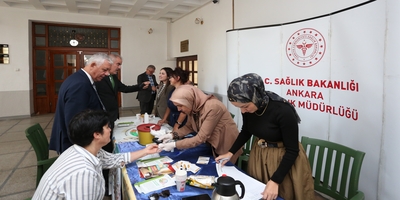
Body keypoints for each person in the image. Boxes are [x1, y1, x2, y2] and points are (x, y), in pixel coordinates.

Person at [216, 73, 314, 200]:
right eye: (238, 108)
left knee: (284, 193)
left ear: (256, 97)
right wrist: (230, 152)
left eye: (245, 106)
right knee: (258, 192)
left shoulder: (282, 110)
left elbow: (292, 150)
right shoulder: (249, 109)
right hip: (261, 156)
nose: (243, 111)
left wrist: (275, 181)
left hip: (283, 158)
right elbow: (246, 130)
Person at [33, 110, 159, 200]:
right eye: (107, 127)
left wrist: (145, 151)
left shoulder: (85, 149)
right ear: (96, 134)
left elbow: (114, 159)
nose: (110, 130)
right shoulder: (83, 172)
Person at [94, 53, 149, 195]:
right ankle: (105, 183)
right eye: (118, 64)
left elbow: (124, 88)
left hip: (112, 116)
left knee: (110, 146)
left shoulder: (113, 77)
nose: (119, 67)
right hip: (103, 117)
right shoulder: (99, 78)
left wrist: (140, 86)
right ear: (109, 63)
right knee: (105, 149)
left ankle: (110, 176)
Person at [157, 85, 242, 164]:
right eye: (177, 106)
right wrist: (172, 135)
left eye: (180, 106)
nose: (179, 109)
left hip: (227, 146)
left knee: (226, 173)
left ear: (189, 100)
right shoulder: (194, 107)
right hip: (213, 145)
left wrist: (174, 145)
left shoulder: (213, 107)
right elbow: (188, 127)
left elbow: (200, 138)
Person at [50, 53, 112, 154]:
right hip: (78, 148)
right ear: (92, 65)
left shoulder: (79, 78)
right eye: (104, 70)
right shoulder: (80, 85)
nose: (107, 74)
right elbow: (75, 123)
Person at [157, 67, 190, 131]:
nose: (169, 79)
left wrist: (177, 125)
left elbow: (184, 111)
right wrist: (164, 119)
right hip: (173, 118)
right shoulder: (173, 90)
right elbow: (169, 106)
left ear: (177, 78)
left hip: (181, 121)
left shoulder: (183, 91)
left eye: (171, 77)